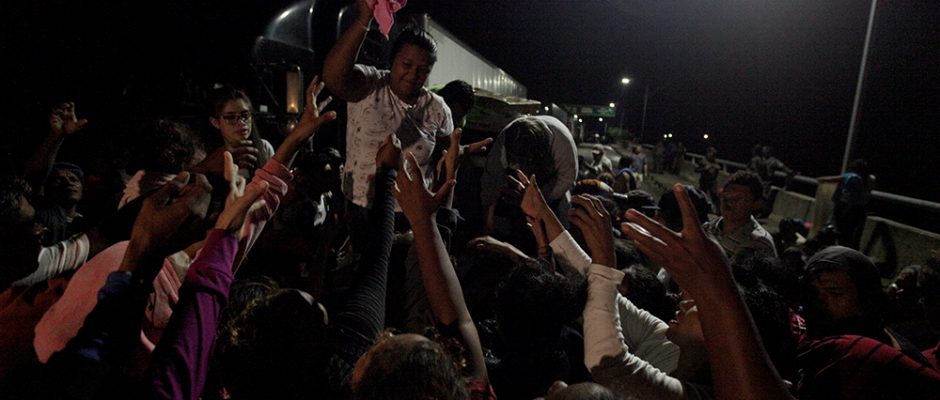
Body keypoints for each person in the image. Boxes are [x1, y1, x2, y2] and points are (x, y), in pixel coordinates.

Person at [323, 0, 453, 210]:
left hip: (411, 214)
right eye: (407, 64)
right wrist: (364, 19)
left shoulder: (437, 109)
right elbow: (333, 78)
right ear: (393, 60)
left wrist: (437, 210)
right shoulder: (370, 84)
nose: (413, 74)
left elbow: (444, 160)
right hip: (360, 207)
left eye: (423, 70)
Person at [481, 115, 577, 239]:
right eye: (518, 159)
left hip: (551, 183)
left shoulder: (563, 146)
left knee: (562, 215)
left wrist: (538, 202)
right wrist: (488, 224)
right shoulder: (504, 140)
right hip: (517, 184)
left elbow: (566, 180)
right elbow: (491, 180)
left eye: (527, 161)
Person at [707, 171, 776, 263]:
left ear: (756, 204)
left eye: (740, 199)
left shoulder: (759, 242)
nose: (730, 202)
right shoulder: (708, 228)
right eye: (727, 195)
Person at [204, 85, 273, 178]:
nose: (241, 122)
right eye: (231, 117)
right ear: (215, 122)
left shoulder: (264, 147)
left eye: (245, 115)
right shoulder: (209, 155)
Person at [819, 158, 875, 249]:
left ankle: (840, 250)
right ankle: (852, 251)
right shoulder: (871, 179)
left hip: (847, 208)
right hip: (861, 209)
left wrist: (821, 180)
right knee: (855, 234)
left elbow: (836, 180)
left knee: (842, 233)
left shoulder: (853, 178)